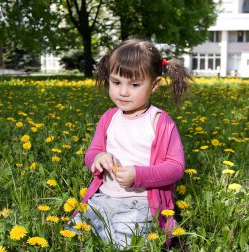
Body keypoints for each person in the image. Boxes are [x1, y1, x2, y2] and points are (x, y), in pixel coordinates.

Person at [72, 38, 192, 248]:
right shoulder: (109, 118)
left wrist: (139, 175)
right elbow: (92, 151)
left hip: (142, 203)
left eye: (134, 85)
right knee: (74, 232)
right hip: (104, 197)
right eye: (116, 82)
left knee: (129, 241)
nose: (123, 92)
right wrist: (98, 158)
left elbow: (175, 167)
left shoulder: (160, 122)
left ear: (154, 85)